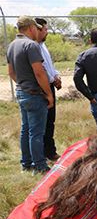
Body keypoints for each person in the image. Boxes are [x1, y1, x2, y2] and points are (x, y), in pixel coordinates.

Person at [6, 16, 54, 174]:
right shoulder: (31, 45)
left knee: (25, 130)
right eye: (35, 28)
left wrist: (23, 84)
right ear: (31, 28)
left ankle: (26, 163)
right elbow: (39, 73)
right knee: (36, 132)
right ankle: (40, 166)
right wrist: (48, 94)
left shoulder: (12, 45)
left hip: (22, 92)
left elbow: (11, 72)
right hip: (34, 94)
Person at [34, 17, 62, 161]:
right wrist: (52, 80)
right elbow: (40, 71)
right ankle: (40, 155)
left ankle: (50, 151)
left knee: (50, 121)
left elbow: (50, 66)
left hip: (50, 84)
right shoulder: (33, 47)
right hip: (41, 87)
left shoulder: (43, 46)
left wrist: (56, 76)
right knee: (41, 123)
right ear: (37, 29)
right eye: (45, 29)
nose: (47, 32)